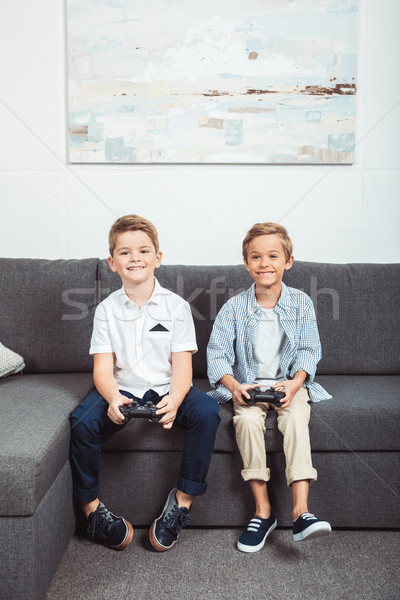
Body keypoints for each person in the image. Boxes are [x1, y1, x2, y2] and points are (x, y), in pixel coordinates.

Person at [70, 214, 220, 551]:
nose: (134, 258)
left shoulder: (177, 307)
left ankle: (181, 504)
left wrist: (177, 399)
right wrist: (110, 396)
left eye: (143, 251)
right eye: (124, 252)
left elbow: (183, 369)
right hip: (121, 387)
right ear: (112, 262)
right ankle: (91, 511)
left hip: (168, 387)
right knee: (81, 421)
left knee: (208, 411)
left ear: (158, 258)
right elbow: (102, 370)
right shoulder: (106, 310)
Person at [207, 222, 332, 553]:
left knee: (293, 420)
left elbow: (308, 350)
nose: (265, 263)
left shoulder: (301, 303)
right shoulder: (234, 308)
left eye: (273, 256)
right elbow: (216, 355)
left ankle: (301, 511)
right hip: (248, 385)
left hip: (287, 384)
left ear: (288, 261)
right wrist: (233, 385)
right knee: (246, 421)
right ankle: (263, 512)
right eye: (256, 257)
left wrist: (296, 383)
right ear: (247, 264)